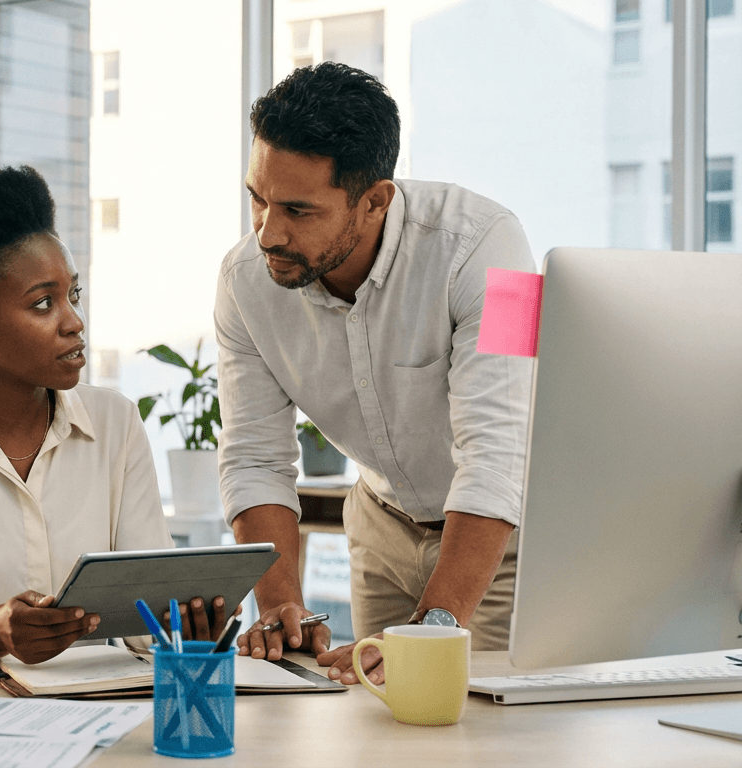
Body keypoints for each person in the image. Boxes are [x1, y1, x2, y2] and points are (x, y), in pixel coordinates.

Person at [218, 63, 532, 685]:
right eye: (258, 198)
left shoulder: (496, 247)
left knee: (485, 733)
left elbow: (498, 454)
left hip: (511, 543)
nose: (267, 233)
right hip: (383, 527)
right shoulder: (242, 282)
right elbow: (254, 457)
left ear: (375, 201)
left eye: (298, 210)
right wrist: (280, 605)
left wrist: (435, 626)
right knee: (371, 718)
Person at [0, 165, 233, 665]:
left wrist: (181, 621)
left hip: (101, 702)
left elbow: (148, 609)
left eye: (73, 295)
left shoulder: (115, 422)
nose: (74, 322)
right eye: (42, 304)